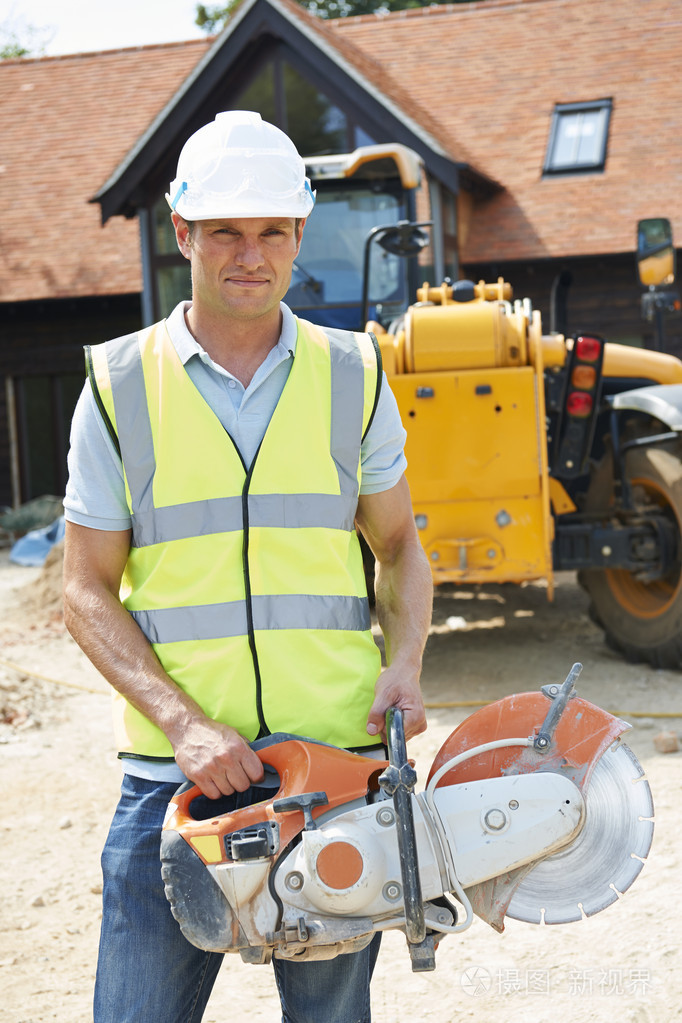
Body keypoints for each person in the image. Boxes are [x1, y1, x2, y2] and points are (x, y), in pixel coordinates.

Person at [62, 110, 433, 1023]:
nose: (249, 253)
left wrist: (407, 662)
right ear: (183, 231)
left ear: (300, 235)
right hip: (176, 785)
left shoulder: (356, 372)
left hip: (335, 774)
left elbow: (400, 549)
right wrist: (186, 726)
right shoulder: (117, 385)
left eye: (273, 229)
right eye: (225, 229)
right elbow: (82, 589)